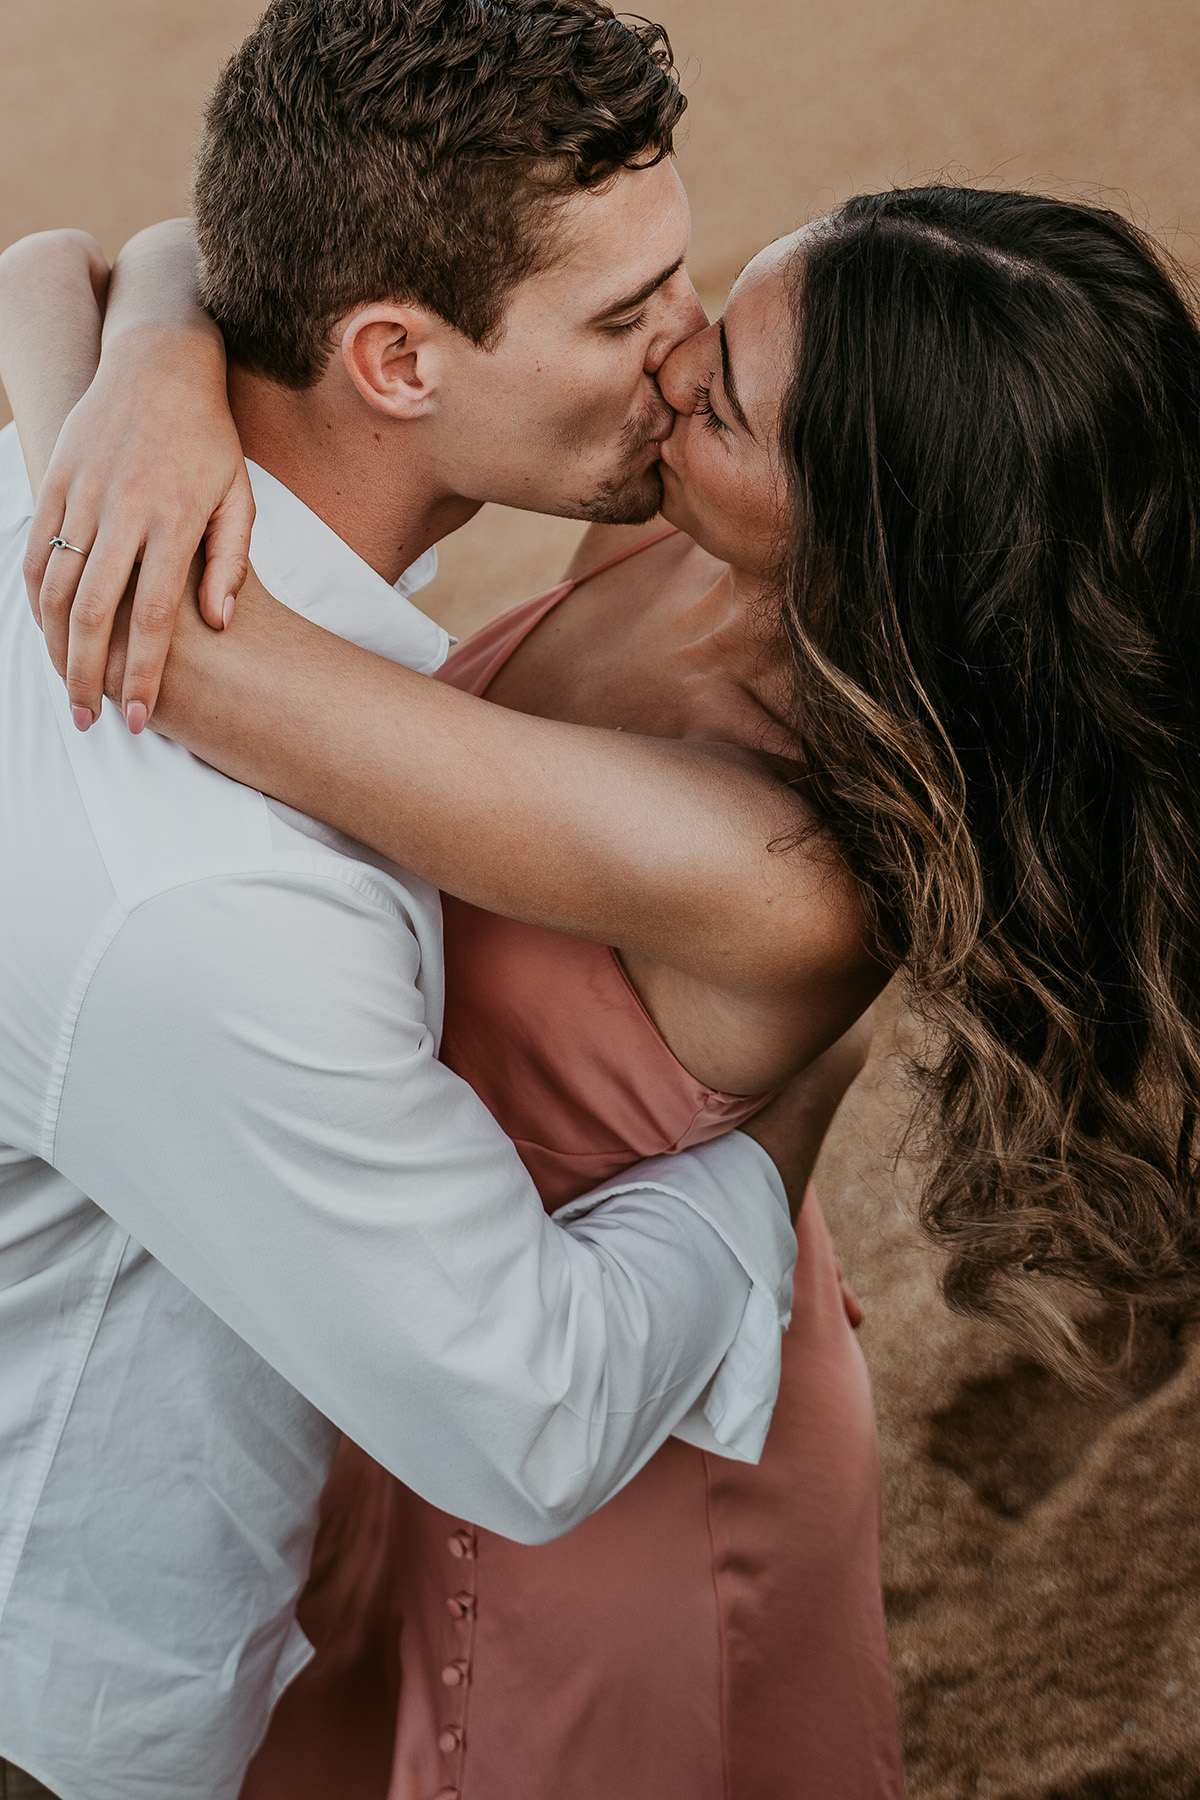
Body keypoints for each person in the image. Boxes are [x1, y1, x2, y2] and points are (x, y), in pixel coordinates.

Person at [21, 177, 1200, 1797]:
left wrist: (121, 393)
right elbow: (97, 257)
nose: (665, 370)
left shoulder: (776, 865)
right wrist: (156, 349)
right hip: (430, 1331)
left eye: (719, 396)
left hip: (627, 1457)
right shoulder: (692, 543)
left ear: (871, 528)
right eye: (717, 314)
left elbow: (173, 643)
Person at [0, 7, 885, 1799]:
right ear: (395, 357)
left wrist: (149, 341)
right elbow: (532, 1415)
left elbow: (85, 267)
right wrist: (775, 1127)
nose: (684, 350)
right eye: (627, 315)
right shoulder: (220, 892)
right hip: (105, 1665)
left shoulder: (92, 489)